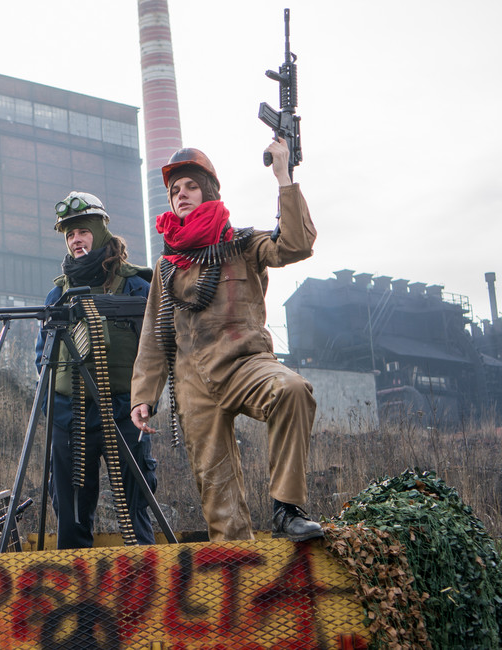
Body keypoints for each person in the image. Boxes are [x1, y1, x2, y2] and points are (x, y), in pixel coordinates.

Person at [130, 138, 322, 543]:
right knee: (221, 509)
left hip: (245, 363)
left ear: (210, 191)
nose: (181, 196)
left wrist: (284, 177)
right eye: (174, 191)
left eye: (190, 187)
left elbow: (295, 244)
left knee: (292, 391)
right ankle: (240, 593)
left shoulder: (243, 242)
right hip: (192, 383)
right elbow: (153, 334)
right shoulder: (168, 265)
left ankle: (287, 509)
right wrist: (143, 395)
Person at [36, 190, 158, 549]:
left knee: (135, 508)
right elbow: (42, 357)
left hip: (124, 410)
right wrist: (52, 409)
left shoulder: (136, 285)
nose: (76, 239)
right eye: (70, 233)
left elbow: (157, 350)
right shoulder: (57, 295)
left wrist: (146, 400)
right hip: (68, 415)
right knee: (71, 516)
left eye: (83, 230)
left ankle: (148, 590)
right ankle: (75, 599)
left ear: (100, 230)